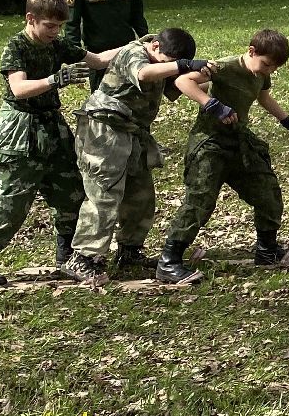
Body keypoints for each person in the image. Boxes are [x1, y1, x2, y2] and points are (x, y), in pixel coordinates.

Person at [0, 0, 124, 288]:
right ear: (30, 18)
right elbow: (19, 88)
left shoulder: (56, 44)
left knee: (72, 193)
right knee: (13, 201)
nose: (55, 31)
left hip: (52, 129)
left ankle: (67, 257)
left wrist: (136, 46)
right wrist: (54, 79)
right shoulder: (16, 47)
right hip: (20, 132)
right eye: (49, 25)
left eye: (59, 26)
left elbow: (98, 60)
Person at [154, 29, 289, 286]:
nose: (269, 71)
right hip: (209, 143)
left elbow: (263, 97)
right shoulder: (224, 67)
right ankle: (169, 261)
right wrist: (212, 104)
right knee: (200, 200)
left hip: (239, 142)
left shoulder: (261, 74)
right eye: (266, 64)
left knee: (267, 191)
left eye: (274, 67)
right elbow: (183, 82)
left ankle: (267, 251)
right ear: (251, 51)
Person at [59, 28, 210, 283]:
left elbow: (177, 86)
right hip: (104, 130)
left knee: (141, 195)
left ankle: (130, 250)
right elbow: (143, 73)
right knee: (104, 194)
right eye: (169, 62)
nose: (170, 66)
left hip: (133, 133)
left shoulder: (162, 62)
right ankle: (83, 258)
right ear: (155, 47)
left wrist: (215, 76)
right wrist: (182, 65)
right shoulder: (134, 52)